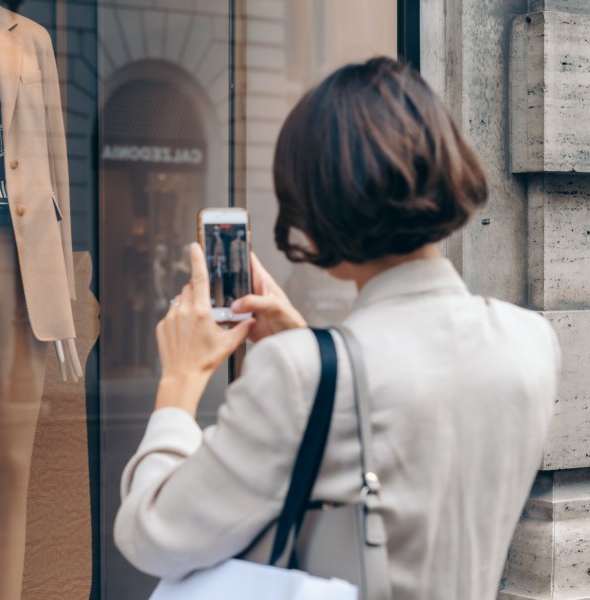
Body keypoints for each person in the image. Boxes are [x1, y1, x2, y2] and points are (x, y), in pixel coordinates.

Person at [113, 57, 560, 599]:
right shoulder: (531, 342)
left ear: (316, 213)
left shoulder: (297, 375)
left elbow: (152, 537)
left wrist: (178, 386)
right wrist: (314, 351)